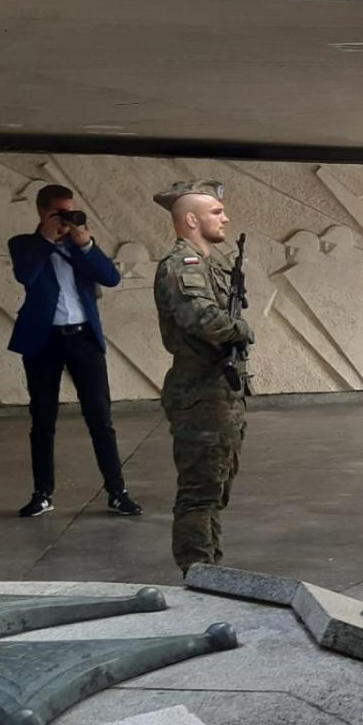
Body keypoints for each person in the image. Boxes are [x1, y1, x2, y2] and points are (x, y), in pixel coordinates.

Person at [7, 185, 142, 518]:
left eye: (70, 211)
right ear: (42, 211)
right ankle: (42, 493)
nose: (66, 218)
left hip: (83, 339)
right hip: (44, 340)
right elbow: (26, 275)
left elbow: (110, 279)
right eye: (59, 212)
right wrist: (45, 239)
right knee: (42, 419)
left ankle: (117, 491)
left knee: (100, 418)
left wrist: (86, 243)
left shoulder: (79, 246)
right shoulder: (24, 244)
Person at [151, 181, 253, 575]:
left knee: (215, 490)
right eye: (215, 212)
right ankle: (198, 572)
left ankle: (212, 569)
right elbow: (202, 320)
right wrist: (241, 329)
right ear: (190, 219)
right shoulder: (183, 265)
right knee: (199, 494)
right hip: (201, 395)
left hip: (219, 393)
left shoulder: (208, 263)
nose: (224, 217)